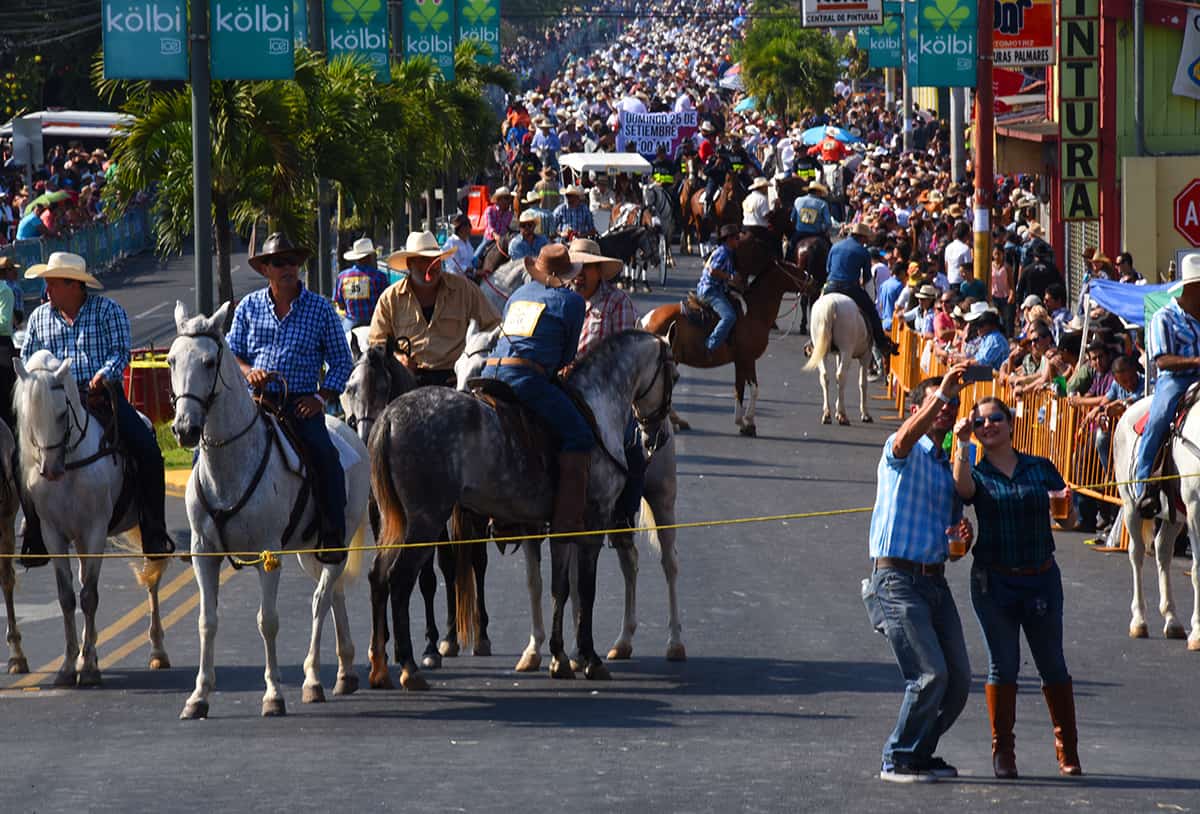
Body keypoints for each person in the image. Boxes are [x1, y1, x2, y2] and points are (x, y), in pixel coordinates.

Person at [952, 397, 1083, 779]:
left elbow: (1069, 521)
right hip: (993, 581)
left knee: (1052, 664)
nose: (988, 425)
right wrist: (961, 444)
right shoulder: (976, 472)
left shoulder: (1040, 467)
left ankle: (1067, 749)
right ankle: (1003, 752)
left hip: (1041, 578)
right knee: (1003, 665)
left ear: (1010, 424)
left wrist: (1068, 510)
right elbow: (961, 491)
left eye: (996, 418)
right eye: (980, 421)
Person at [18, 252, 175, 567]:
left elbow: (120, 353)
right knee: (19, 458)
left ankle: (154, 529)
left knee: (147, 449)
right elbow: (26, 357)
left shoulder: (108, 311)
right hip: (52, 402)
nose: (46, 290)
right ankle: (35, 533)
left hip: (100, 396)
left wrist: (104, 374)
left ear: (73, 285)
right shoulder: (39, 318)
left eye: (52, 283)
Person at [865, 366, 974, 783]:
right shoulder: (901, 449)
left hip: (934, 580)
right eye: (939, 404)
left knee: (959, 681)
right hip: (896, 579)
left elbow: (951, 538)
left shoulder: (948, 466)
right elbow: (907, 436)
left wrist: (962, 535)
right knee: (930, 674)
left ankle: (919, 752)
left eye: (952, 405)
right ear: (918, 409)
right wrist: (941, 395)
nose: (947, 410)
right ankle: (897, 757)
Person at [227, 234, 352, 563]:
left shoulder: (320, 308)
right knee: (209, 448)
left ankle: (332, 533)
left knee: (326, 457)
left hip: (299, 402)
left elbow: (342, 360)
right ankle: (209, 529)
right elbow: (231, 353)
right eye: (280, 262)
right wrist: (248, 371)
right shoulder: (248, 307)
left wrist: (321, 397)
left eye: (293, 261)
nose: (289, 268)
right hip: (255, 400)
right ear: (266, 269)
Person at [481, 244, 590, 534]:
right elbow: (566, 357)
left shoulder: (518, 294)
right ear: (567, 275)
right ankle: (568, 521)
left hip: (488, 371)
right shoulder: (573, 302)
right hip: (525, 378)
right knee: (579, 435)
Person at [566, 238, 643, 526]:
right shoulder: (563, 297)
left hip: (604, 394)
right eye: (575, 268)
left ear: (599, 271)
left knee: (633, 444)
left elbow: (622, 358)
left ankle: (625, 514)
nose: (580, 275)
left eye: (586, 268)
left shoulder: (617, 302)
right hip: (562, 388)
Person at [370, 230, 501, 388]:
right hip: (408, 383)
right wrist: (397, 358)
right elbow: (377, 344)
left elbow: (494, 327)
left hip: (456, 382)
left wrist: (473, 359)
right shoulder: (390, 298)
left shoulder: (465, 290)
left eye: (435, 259)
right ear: (409, 264)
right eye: (424, 260)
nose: (432, 265)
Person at [1134, 252, 1200, 517]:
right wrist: (1196, 360)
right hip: (1175, 379)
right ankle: (1144, 485)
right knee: (1159, 418)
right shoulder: (1165, 317)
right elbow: (1161, 360)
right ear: (1192, 287)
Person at [826, 222, 901, 354]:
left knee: (817, 305)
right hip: (850, 288)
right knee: (872, 312)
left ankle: (812, 341)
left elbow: (828, 268)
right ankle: (882, 343)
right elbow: (867, 278)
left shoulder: (835, 246)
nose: (867, 241)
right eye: (866, 238)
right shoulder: (862, 252)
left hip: (830, 286)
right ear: (861, 237)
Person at [697, 224, 744, 355]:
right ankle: (709, 346)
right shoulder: (723, 253)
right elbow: (713, 271)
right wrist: (730, 277)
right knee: (730, 317)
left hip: (716, 289)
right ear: (729, 239)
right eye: (736, 238)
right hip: (710, 291)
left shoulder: (725, 252)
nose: (738, 241)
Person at [332, 237, 390, 333]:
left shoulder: (342, 277)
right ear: (370, 256)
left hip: (351, 323)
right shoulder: (379, 276)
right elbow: (386, 303)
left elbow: (340, 305)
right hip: (374, 322)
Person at [790, 181, 832, 265]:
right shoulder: (823, 204)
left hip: (800, 233)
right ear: (817, 191)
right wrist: (823, 229)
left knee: (790, 249)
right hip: (817, 233)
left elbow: (792, 218)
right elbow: (828, 223)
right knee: (830, 249)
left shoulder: (798, 200)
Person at [472, 186, 515, 269]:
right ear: (498, 199)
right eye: (506, 198)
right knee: (479, 252)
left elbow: (507, 226)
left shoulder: (509, 214)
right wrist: (495, 235)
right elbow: (489, 226)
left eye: (509, 199)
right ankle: (473, 267)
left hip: (503, 239)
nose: (508, 201)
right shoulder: (490, 210)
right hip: (490, 238)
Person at [741, 176, 772, 249]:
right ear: (762, 188)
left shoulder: (748, 198)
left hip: (745, 228)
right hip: (758, 230)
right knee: (772, 242)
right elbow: (766, 215)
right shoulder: (762, 199)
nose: (767, 189)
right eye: (766, 187)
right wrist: (774, 211)